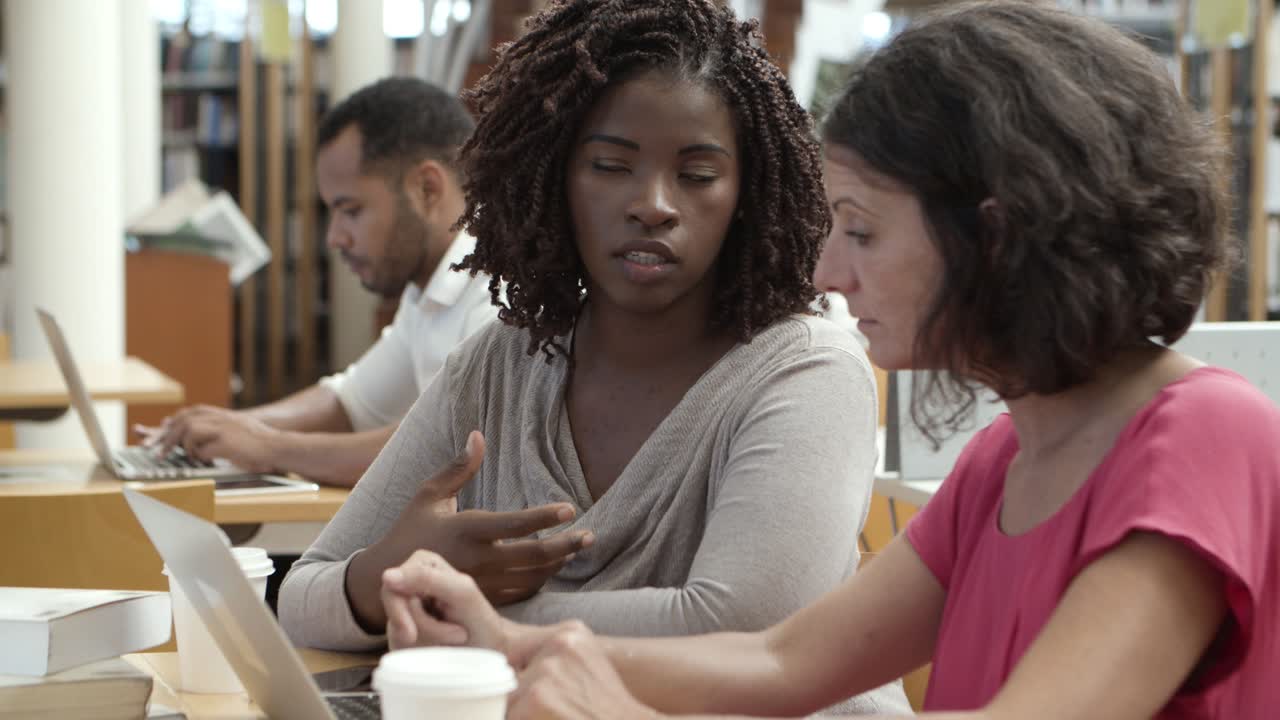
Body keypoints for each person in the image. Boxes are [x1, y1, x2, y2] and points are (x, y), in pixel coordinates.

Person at [376, 2, 1280, 718]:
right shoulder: (1002, 460)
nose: (826, 271)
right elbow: (784, 659)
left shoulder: (1205, 433)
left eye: (861, 230)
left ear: (996, 237)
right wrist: (510, 643)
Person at [279, 0, 908, 712]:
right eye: (610, 165)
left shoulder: (806, 371)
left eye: (698, 175)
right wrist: (387, 573)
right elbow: (305, 593)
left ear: (747, 195)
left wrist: (467, 618)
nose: (653, 205)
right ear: (552, 178)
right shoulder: (500, 363)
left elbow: (742, 629)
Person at [137, 78, 498, 487]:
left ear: (427, 188)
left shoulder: (502, 289)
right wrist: (227, 427)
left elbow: (447, 449)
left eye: (351, 210)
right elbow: (351, 403)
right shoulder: (428, 289)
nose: (335, 238)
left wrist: (269, 446)